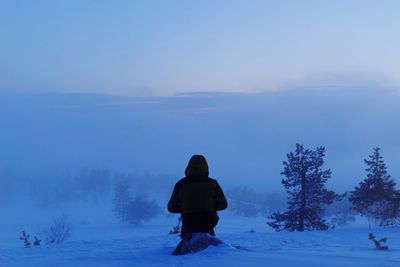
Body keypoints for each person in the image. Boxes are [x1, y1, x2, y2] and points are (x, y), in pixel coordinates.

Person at [167, 155, 228, 238]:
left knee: (188, 247)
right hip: (208, 223)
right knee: (210, 247)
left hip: (189, 223)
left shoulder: (181, 184)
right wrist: (209, 206)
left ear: (188, 167)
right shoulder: (213, 183)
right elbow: (223, 205)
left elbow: (171, 207)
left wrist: (185, 208)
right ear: (206, 167)